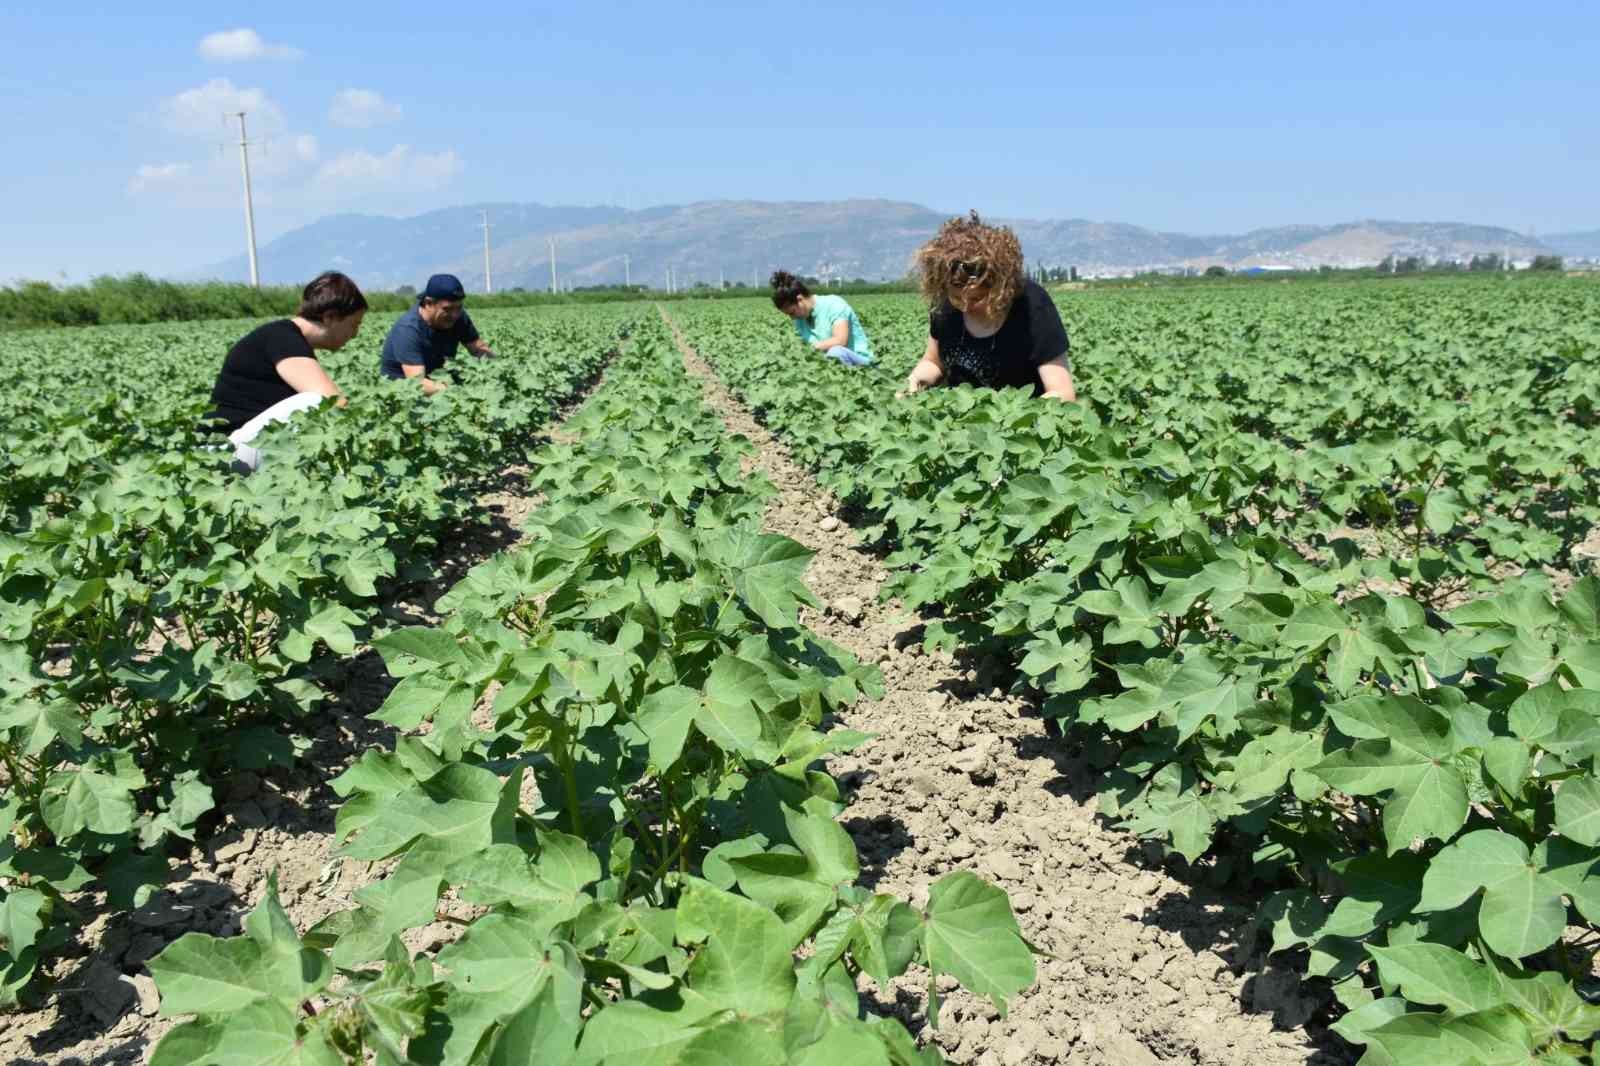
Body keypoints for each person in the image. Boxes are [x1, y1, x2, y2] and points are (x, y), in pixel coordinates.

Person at [904, 212, 1076, 401]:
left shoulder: (1032, 305)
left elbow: (1062, 393)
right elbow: (933, 362)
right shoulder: (944, 305)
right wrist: (916, 380)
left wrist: (1018, 418)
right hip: (958, 422)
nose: (965, 305)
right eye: (956, 296)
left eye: (977, 297)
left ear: (1001, 286)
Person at [206, 271, 367, 470]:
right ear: (330, 317)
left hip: (240, 445)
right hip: (222, 453)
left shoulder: (286, 337)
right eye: (354, 325)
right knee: (316, 402)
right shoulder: (283, 338)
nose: (355, 334)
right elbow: (334, 402)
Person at [379, 274, 496, 394]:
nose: (455, 315)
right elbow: (417, 383)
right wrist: (460, 392)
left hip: (440, 382)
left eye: (459, 307)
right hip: (403, 395)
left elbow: (478, 348)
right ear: (428, 303)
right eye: (447, 309)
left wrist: (495, 370)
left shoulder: (457, 317)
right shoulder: (408, 329)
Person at [770, 270, 875, 367]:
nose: (792, 318)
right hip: (826, 365)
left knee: (836, 352)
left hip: (859, 362)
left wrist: (809, 349)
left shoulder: (834, 304)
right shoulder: (800, 319)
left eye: (792, 312)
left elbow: (840, 340)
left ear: (800, 299)